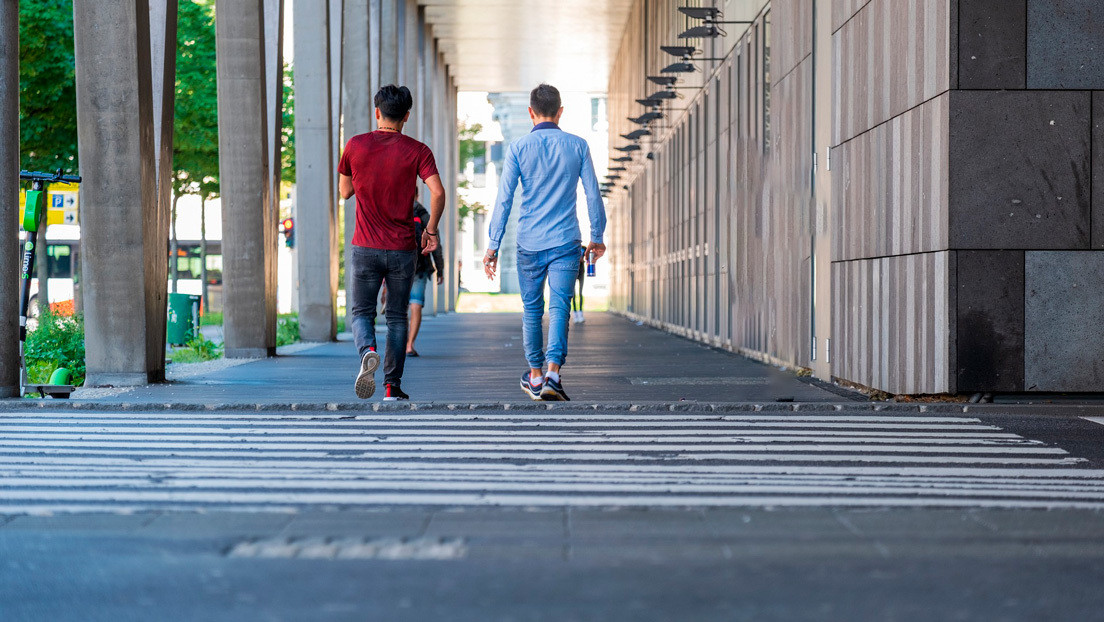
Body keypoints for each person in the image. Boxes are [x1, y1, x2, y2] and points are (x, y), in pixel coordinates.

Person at [483, 83, 607, 401]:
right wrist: (597, 237)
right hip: (566, 240)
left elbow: (504, 199)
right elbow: (592, 194)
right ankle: (553, 373)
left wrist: (493, 244)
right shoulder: (578, 146)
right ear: (560, 112)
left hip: (529, 242)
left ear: (530, 113)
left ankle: (535, 376)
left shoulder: (518, 148)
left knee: (532, 310)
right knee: (560, 305)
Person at [339, 85, 445, 401]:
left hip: (365, 247)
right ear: (406, 116)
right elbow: (438, 192)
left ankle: (367, 351)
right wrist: (431, 230)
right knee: (397, 317)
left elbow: (345, 192)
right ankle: (391, 387)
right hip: (402, 250)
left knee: (361, 313)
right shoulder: (418, 150)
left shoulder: (355, 145)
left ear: (377, 112)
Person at [407, 200, 445, 357]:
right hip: (420, 266)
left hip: (398, 267)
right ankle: (409, 345)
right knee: (416, 305)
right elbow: (436, 245)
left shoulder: (394, 209)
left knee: (398, 308)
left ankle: (400, 342)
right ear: (416, 194)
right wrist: (440, 270)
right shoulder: (424, 216)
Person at [571, 244, 586, 324]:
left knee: (580, 293)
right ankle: (575, 314)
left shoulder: (584, 248)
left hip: (581, 272)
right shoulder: (572, 248)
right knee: (573, 295)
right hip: (573, 272)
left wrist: (583, 259)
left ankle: (580, 313)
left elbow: (588, 257)